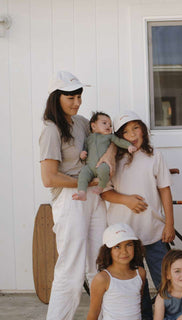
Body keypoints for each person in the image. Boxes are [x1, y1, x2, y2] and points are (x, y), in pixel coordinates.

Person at [39, 71, 110, 320]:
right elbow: (49, 178)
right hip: (70, 200)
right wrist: (83, 183)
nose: (77, 102)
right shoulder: (51, 130)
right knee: (71, 269)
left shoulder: (80, 122)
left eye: (79, 96)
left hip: (93, 198)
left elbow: (102, 148)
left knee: (100, 263)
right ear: (56, 98)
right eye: (70, 97)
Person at [100, 110, 175, 320]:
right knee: (136, 287)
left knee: (166, 281)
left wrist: (170, 223)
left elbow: (165, 189)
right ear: (118, 136)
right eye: (125, 131)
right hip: (126, 237)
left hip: (154, 232)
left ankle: (169, 316)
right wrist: (127, 200)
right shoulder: (113, 159)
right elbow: (105, 191)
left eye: (135, 127)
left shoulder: (154, 156)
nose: (132, 134)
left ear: (143, 129)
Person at [87, 223, 146, 320]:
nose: (124, 252)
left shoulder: (140, 273)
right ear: (108, 251)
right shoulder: (102, 279)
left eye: (129, 245)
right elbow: (94, 313)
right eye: (117, 247)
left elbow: (137, 304)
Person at [72, 112, 136, 201]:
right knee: (83, 174)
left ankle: (101, 187)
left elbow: (119, 141)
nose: (108, 126)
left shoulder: (110, 137)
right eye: (104, 123)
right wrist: (83, 154)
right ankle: (82, 192)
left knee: (104, 170)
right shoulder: (88, 138)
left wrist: (129, 146)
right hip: (89, 167)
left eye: (110, 125)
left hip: (103, 164)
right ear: (93, 126)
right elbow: (85, 148)